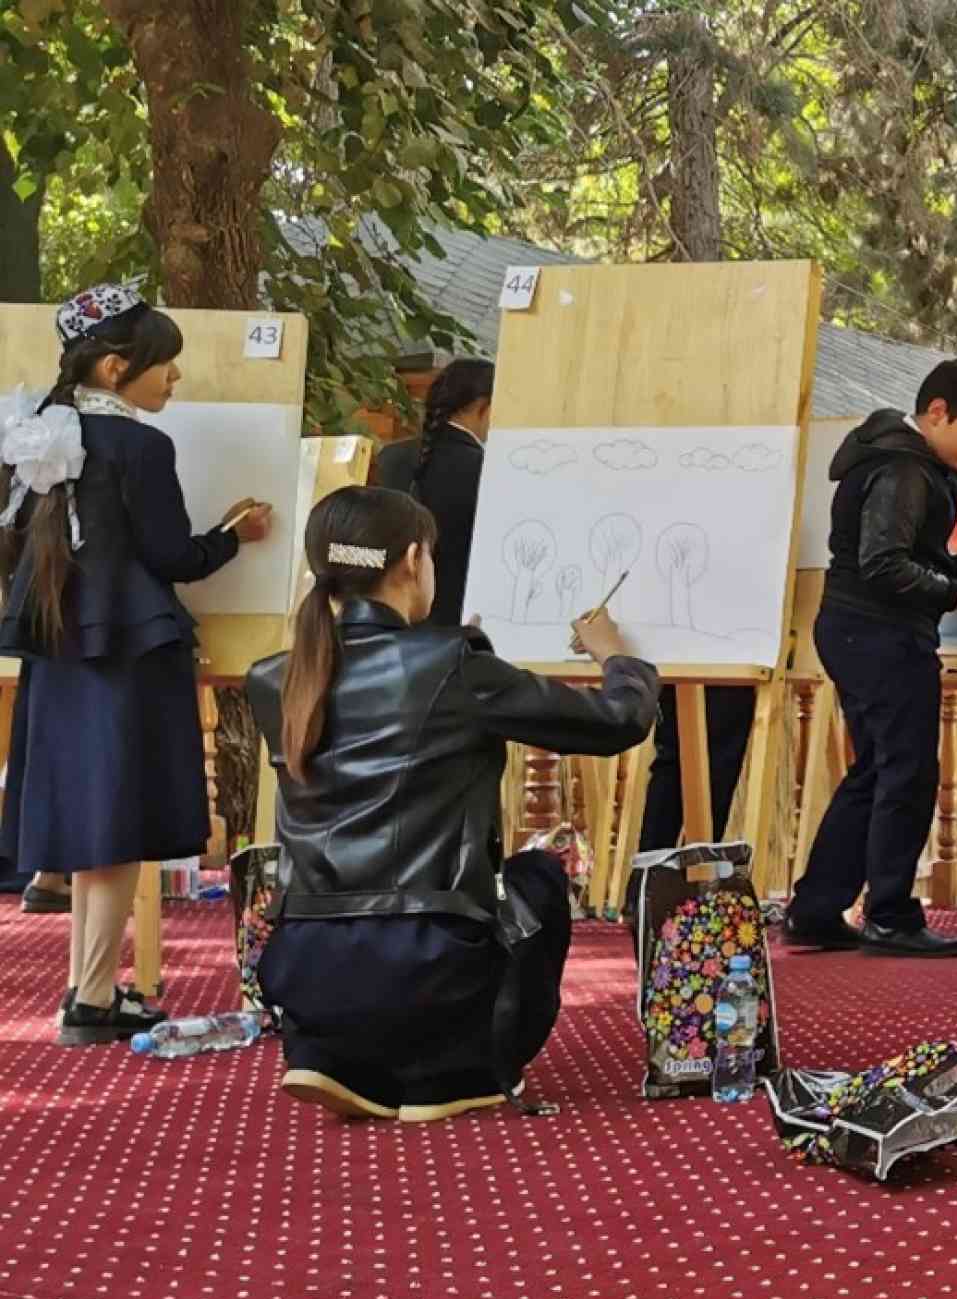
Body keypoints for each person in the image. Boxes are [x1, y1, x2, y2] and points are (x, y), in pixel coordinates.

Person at [247, 487, 659, 1121]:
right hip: (430, 963)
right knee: (541, 878)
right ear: (413, 559)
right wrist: (616, 655)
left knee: (376, 934)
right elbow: (618, 722)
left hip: (302, 967)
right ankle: (448, 1073)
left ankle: (336, 1051)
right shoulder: (452, 663)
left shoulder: (274, 677)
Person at [0, 284, 272, 1045]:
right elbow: (172, 556)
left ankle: (88, 989)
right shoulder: (142, 446)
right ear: (118, 367)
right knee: (115, 818)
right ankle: (89, 999)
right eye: (166, 367)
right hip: (127, 647)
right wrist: (233, 534)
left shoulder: (34, 435)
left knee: (91, 818)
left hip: (59, 647)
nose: (176, 381)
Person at [782, 357, 957, 958]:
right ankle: (889, 914)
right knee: (906, 773)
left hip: (858, 631)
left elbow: (907, 549)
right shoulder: (904, 469)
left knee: (876, 772)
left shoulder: (899, 460)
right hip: (880, 634)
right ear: (936, 412)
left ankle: (816, 909)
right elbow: (884, 564)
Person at [373, 357, 494, 628]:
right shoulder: (488, 467)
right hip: (457, 619)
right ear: (484, 406)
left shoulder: (389, 457)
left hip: (389, 615)